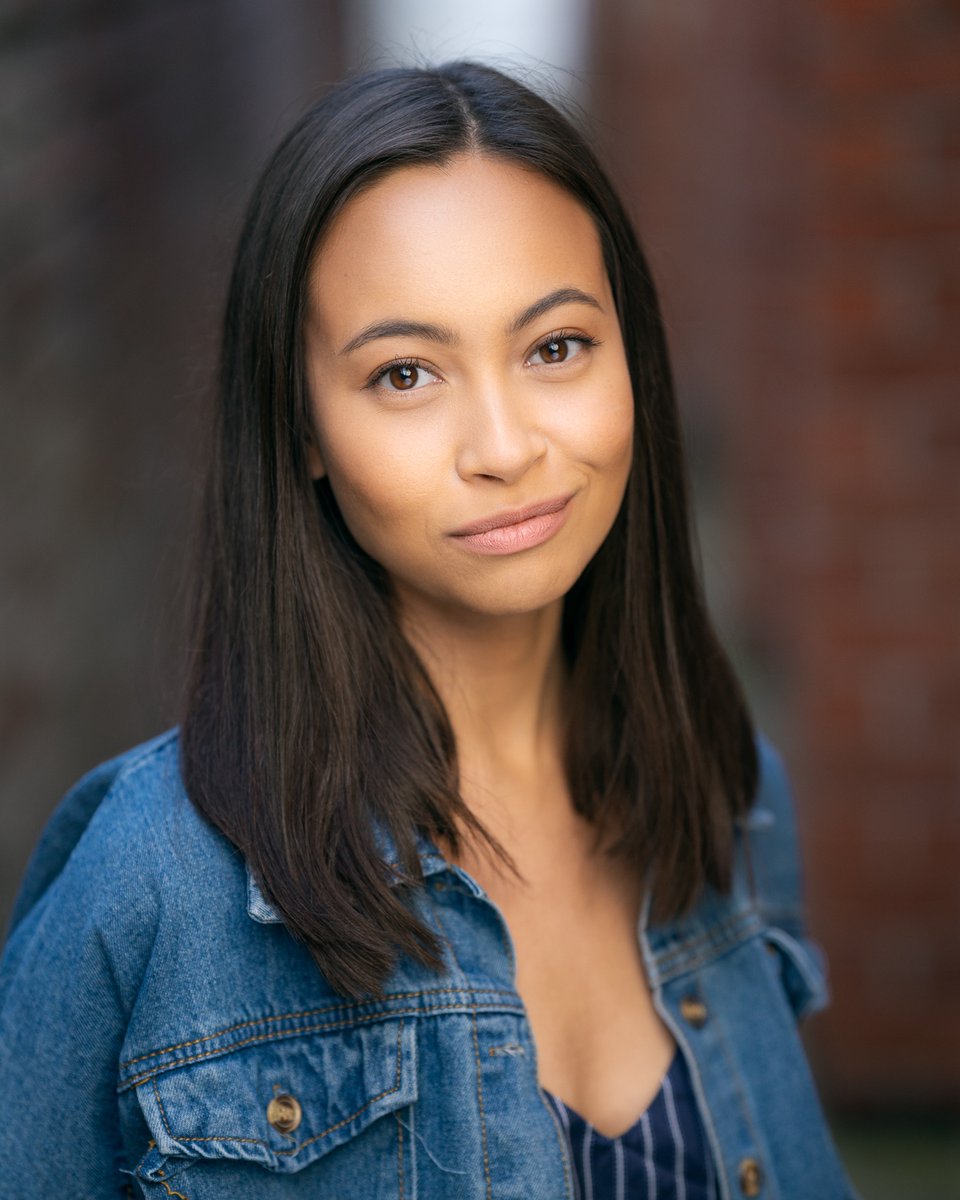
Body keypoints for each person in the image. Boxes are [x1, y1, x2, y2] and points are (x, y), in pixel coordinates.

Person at [0, 61, 859, 1199]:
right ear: (302, 429)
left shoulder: (728, 793)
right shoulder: (153, 884)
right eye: (405, 374)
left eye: (555, 347)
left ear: (634, 361)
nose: (503, 447)